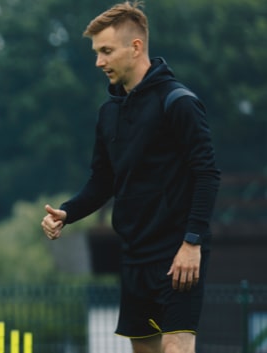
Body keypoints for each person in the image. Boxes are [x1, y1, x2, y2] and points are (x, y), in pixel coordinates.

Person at [41, 1, 220, 352]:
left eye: (106, 51)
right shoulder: (109, 113)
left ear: (135, 47)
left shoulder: (178, 102)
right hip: (135, 253)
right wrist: (68, 212)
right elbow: (103, 181)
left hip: (178, 255)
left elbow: (207, 173)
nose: (99, 62)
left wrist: (192, 242)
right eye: (97, 52)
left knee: (176, 348)